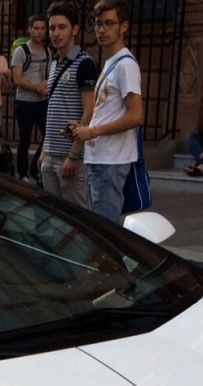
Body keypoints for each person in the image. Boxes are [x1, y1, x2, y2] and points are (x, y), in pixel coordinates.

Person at [70, 0, 145, 221]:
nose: (101, 30)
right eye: (98, 24)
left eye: (108, 24)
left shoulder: (125, 65)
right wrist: (83, 129)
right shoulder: (112, 62)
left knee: (105, 232)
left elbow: (136, 115)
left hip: (110, 161)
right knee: (99, 229)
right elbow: (107, 110)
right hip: (100, 157)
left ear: (123, 26)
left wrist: (92, 132)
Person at [36, 2, 97, 207]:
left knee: (77, 217)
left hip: (70, 156)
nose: (56, 33)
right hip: (51, 154)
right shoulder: (54, 63)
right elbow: (53, 109)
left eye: (62, 27)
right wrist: (44, 150)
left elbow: (89, 111)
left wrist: (74, 154)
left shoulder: (85, 63)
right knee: (54, 219)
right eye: (52, 28)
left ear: (75, 29)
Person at [11, 13, 51, 181]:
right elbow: (17, 79)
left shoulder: (48, 51)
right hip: (25, 102)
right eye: (36, 28)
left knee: (48, 135)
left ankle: (35, 168)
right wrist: (36, 87)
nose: (39, 32)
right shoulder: (21, 51)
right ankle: (22, 173)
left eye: (42, 29)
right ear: (29, 29)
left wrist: (45, 83)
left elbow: (50, 75)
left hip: (42, 102)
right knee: (25, 139)